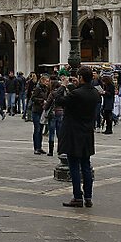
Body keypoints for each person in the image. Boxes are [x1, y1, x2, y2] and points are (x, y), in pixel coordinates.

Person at [55, 67, 101, 208]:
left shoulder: (76, 94)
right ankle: (88, 197)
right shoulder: (95, 93)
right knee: (86, 165)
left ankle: (77, 197)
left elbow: (59, 100)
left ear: (81, 77)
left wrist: (62, 86)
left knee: (74, 166)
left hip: (74, 133)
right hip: (87, 133)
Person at [30, 75, 49, 154]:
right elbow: (33, 98)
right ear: (42, 81)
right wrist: (42, 100)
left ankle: (39, 147)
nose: (47, 83)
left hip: (42, 111)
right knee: (37, 129)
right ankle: (36, 148)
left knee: (41, 129)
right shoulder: (38, 88)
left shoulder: (46, 89)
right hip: (36, 110)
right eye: (46, 81)